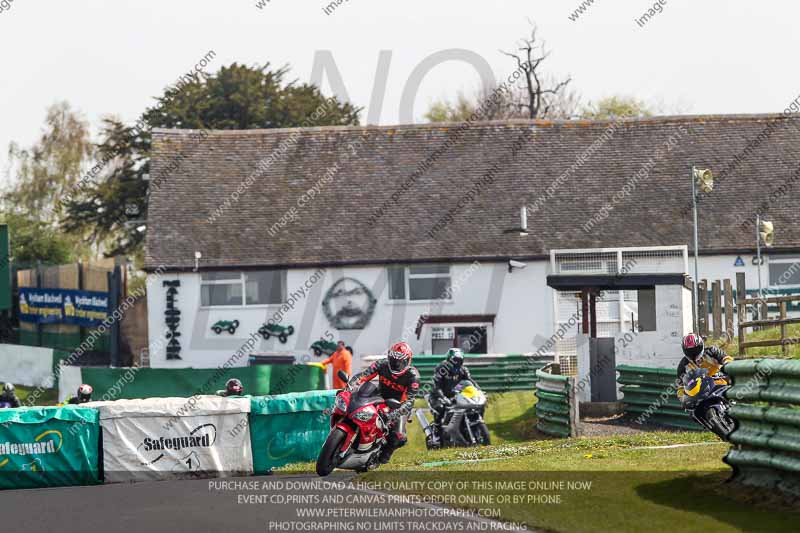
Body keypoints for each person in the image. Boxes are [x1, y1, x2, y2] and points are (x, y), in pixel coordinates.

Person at [346, 341, 419, 464]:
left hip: (399, 406)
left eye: (400, 362)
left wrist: (392, 415)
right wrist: (352, 384)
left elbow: (410, 401)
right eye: (393, 360)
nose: (396, 364)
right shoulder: (382, 364)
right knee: (356, 409)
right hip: (379, 397)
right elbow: (364, 375)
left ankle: (381, 458)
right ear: (389, 357)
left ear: (408, 361)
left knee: (399, 437)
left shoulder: (413, 376)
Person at [676, 333, 733, 405]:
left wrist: (726, 365)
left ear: (701, 345)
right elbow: (680, 387)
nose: (693, 353)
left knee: (732, 394)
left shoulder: (712, 351)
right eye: (690, 351)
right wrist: (683, 397)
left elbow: (727, 358)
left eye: (696, 349)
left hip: (720, 386)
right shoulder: (683, 365)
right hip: (699, 394)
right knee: (691, 411)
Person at [429, 348, 474, 425]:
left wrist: (479, 392)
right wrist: (443, 398)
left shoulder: (463, 370)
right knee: (441, 407)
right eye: (455, 360)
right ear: (449, 360)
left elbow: (470, 381)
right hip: (437, 396)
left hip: (455, 396)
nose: (457, 363)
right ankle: (437, 427)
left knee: (472, 407)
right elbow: (436, 386)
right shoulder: (441, 368)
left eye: (459, 360)